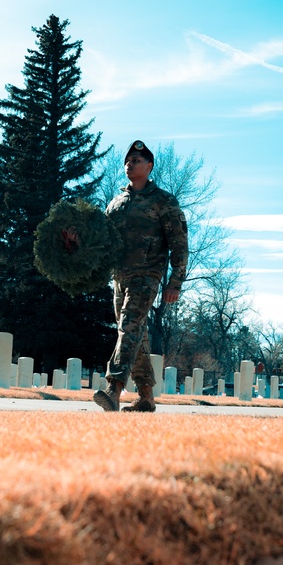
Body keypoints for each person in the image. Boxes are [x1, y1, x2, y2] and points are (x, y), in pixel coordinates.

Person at [93, 140, 187, 412]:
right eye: (128, 160)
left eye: (136, 160)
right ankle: (146, 395)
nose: (130, 164)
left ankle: (114, 388)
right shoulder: (116, 203)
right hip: (119, 278)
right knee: (136, 335)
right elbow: (100, 241)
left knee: (129, 326)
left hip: (147, 275)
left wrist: (175, 282)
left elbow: (179, 243)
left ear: (149, 166)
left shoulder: (163, 201)